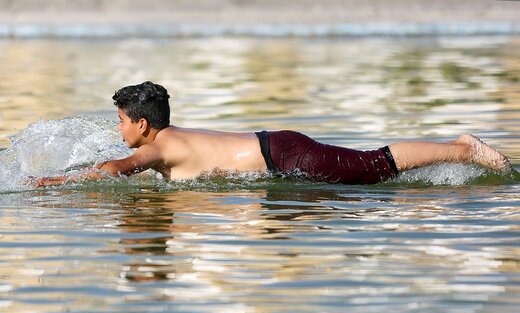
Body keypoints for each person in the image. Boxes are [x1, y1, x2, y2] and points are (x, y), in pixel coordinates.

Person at [28, 81, 511, 188]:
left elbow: (117, 168)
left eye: (120, 120)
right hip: (277, 149)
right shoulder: (169, 140)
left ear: (142, 124)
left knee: (372, 170)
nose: (117, 128)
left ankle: (461, 148)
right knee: (372, 179)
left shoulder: (159, 147)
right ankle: (439, 185)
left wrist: (54, 184)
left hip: (284, 156)